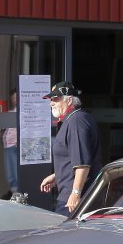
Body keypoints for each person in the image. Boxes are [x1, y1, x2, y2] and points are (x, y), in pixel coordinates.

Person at [40, 82, 101, 215]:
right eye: (51, 100)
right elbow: (74, 159)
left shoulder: (76, 121)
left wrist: (75, 193)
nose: (51, 103)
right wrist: (57, 176)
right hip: (72, 195)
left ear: (69, 100)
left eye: (55, 99)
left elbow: (83, 163)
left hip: (74, 199)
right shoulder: (73, 119)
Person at [2, 89, 22, 201]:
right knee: (10, 173)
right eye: (13, 98)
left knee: (15, 172)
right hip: (7, 145)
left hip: (15, 145)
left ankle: (18, 195)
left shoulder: (23, 112)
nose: (15, 100)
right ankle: (15, 194)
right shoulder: (10, 112)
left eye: (16, 97)